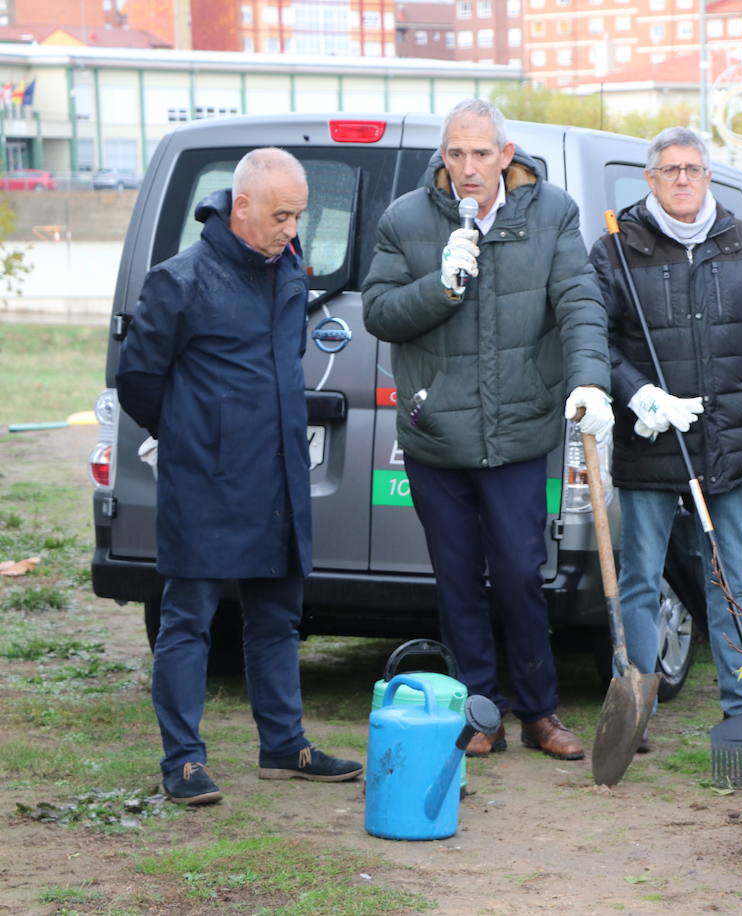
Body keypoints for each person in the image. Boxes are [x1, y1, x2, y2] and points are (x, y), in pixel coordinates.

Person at [361, 99, 612, 761]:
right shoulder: (405, 219)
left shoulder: (551, 212)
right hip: (435, 432)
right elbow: (380, 313)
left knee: (520, 575)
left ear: (506, 155)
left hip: (518, 430)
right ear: (442, 157)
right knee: (457, 580)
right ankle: (480, 714)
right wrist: (441, 285)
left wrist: (589, 377)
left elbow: (579, 299)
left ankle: (539, 710)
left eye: (479, 154)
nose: (467, 168)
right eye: (454, 154)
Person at [116, 148, 363, 806]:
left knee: (277, 617)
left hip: (280, 472)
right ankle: (184, 761)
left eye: (300, 216)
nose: (292, 228)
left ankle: (284, 745)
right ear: (242, 206)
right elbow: (137, 378)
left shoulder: (287, 270)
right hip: (204, 478)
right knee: (189, 619)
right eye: (281, 215)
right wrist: (188, 435)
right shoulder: (181, 280)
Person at [590, 127, 742, 726]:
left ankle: (741, 709)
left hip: (730, 439)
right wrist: (638, 395)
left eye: (694, 169)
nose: (683, 179)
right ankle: (633, 712)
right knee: (640, 580)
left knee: (731, 577)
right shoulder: (615, 247)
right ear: (649, 179)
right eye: (670, 169)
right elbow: (595, 335)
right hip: (650, 438)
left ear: (709, 176)